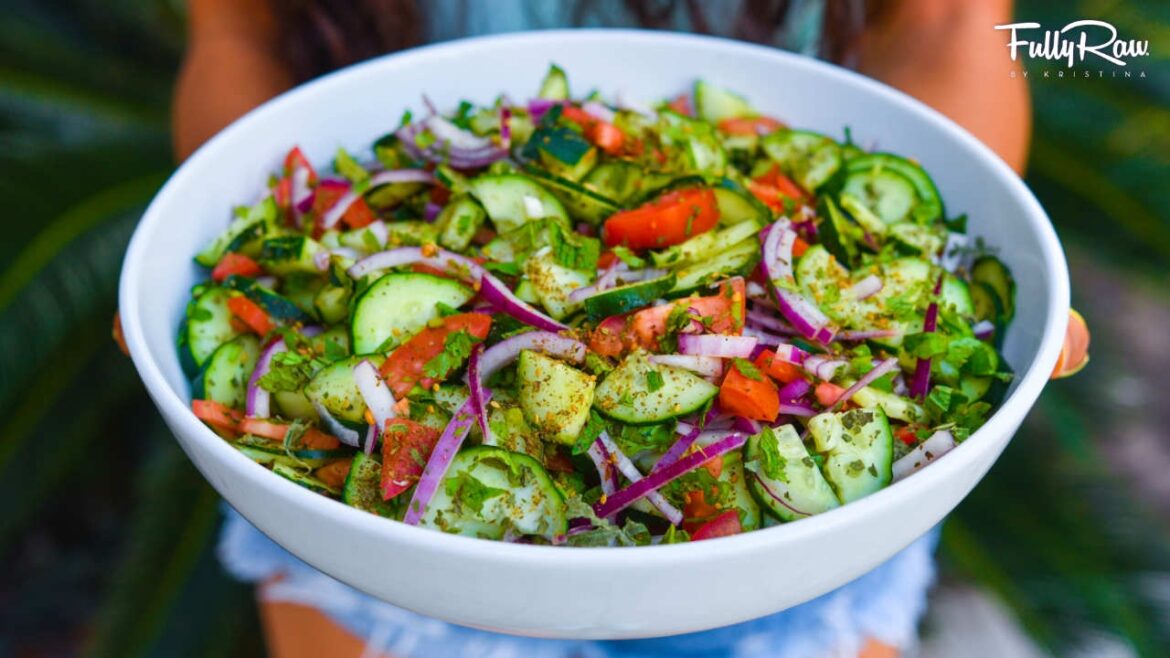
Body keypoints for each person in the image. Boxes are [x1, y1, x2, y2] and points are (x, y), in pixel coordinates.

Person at [174, 2, 1042, 657]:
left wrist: (974, 254)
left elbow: (946, 22)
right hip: (366, 544)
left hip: (803, 546)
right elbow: (239, 32)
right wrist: (191, 221)